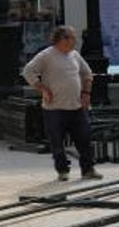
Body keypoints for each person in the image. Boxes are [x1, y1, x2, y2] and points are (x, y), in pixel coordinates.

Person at [22, 25, 101, 181]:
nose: (75, 41)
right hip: (54, 109)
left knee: (84, 139)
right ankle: (62, 170)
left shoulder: (75, 56)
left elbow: (87, 74)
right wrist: (42, 89)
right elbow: (28, 71)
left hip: (76, 106)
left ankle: (88, 169)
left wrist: (86, 92)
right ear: (63, 39)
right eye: (72, 37)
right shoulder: (46, 56)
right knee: (57, 143)